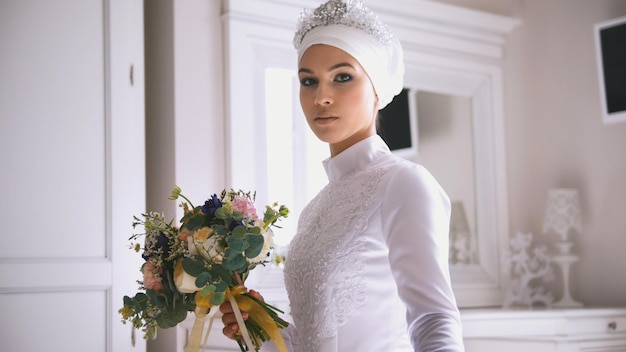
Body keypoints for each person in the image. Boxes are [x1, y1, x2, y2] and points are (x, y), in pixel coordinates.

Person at [221, 0, 465, 350]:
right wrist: (258, 324)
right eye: (309, 81)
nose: (321, 96)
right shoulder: (314, 209)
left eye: (342, 77)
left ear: (377, 88)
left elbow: (433, 318)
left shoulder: (404, 183)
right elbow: (310, 335)